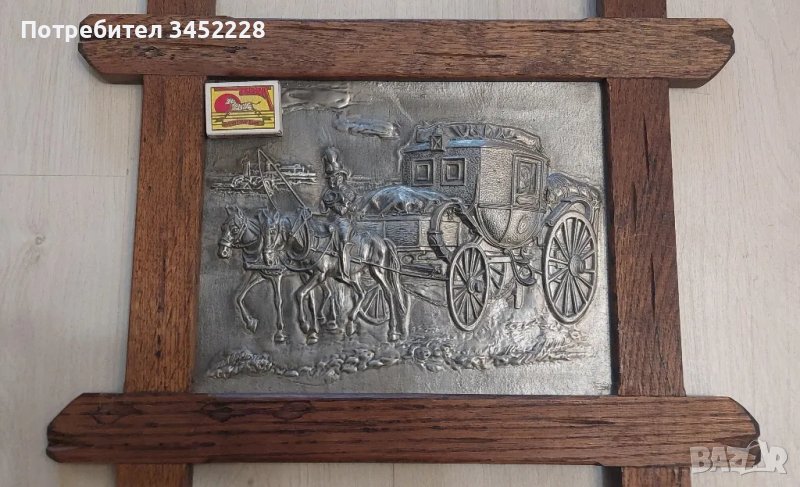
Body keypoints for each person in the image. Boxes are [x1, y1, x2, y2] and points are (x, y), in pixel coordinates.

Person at [319, 147, 358, 278]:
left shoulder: (347, 190)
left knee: (344, 240)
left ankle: (345, 270)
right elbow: (339, 210)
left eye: (337, 177)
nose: (333, 180)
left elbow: (352, 204)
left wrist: (348, 203)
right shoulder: (328, 194)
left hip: (346, 221)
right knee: (340, 239)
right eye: (331, 178)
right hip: (334, 221)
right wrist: (346, 203)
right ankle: (337, 269)